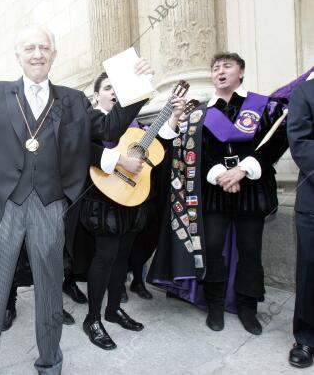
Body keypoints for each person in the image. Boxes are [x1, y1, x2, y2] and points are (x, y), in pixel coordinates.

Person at [0, 24, 149, 374]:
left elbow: (110, 129)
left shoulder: (74, 100)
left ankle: (50, 364)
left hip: (50, 205)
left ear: (54, 54)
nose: (37, 53)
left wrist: (135, 86)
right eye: (30, 48)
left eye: (44, 48)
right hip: (5, 205)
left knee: (50, 289)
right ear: (18, 56)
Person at [149, 52, 288, 336]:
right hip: (214, 191)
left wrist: (243, 170)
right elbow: (190, 150)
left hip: (252, 189)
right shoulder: (199, 112)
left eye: (227, 66)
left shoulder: (264, 107)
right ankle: (214, 304)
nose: (220, 71)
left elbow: (275, 141)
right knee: (212, 250)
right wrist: (219, 175)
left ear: (241, 72)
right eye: (215, 68)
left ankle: (248, 307)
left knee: (250, 251)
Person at [76, 72, 182, 350]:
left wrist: (171, 116)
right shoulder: (88, 119)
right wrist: (121, 161)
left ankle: (113, 309)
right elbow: (80, 150)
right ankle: (93, 318)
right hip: (103, 198)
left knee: (122, 257)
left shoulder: (133, 123)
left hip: (133, 198)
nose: (113, 92)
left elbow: (157, 146)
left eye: (117, 88)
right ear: (96, 94)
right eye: (108, 88)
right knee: (104, 258)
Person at [287, 69, 314, 368]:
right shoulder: (304, 93)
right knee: (310, 270)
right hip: (313, 198)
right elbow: (300, 141)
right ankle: (306, 338)